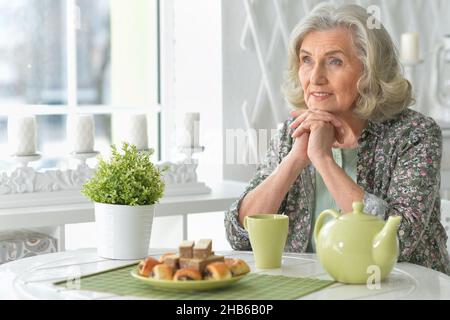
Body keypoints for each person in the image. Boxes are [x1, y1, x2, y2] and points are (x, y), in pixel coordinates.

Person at [225, 3, 450, 275]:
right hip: (309, 289)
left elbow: (397, 238)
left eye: (334, 61)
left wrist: (322, 159)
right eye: (307, 60)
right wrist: (296, 159)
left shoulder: (414, 133)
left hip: (405, 289)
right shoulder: (292, 132)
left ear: (369, 71)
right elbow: (240, 235)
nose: (316, 77)